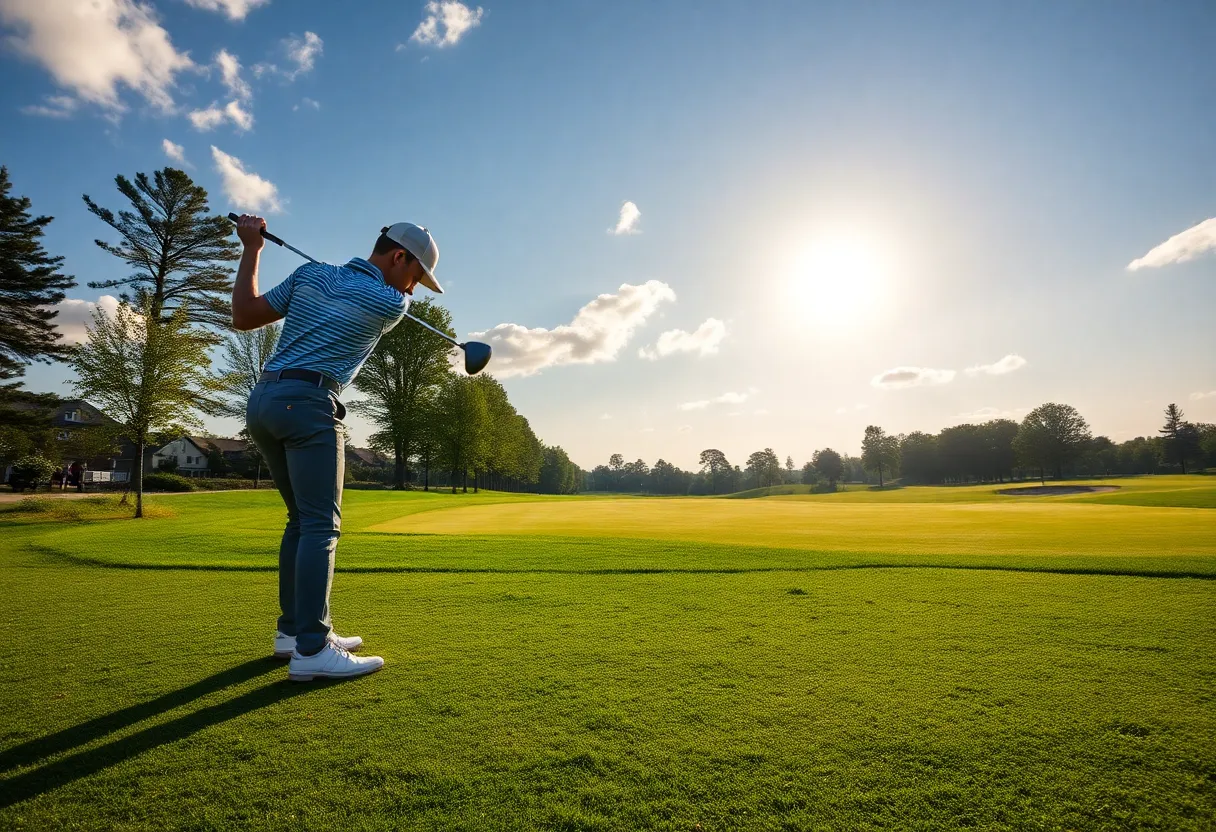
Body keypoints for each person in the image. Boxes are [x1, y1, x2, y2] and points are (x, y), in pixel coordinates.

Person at [231, 214, 443, 682]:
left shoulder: (310, 274)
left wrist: (253, 248)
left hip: (264, 401)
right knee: (321, 528)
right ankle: (312, 648)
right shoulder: (391, 303)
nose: (412, 291)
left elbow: (244, 316)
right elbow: (374, 293)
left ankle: (293, 632)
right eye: (414, 278)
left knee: (299, 522)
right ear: (398, 257)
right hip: (309, 405)